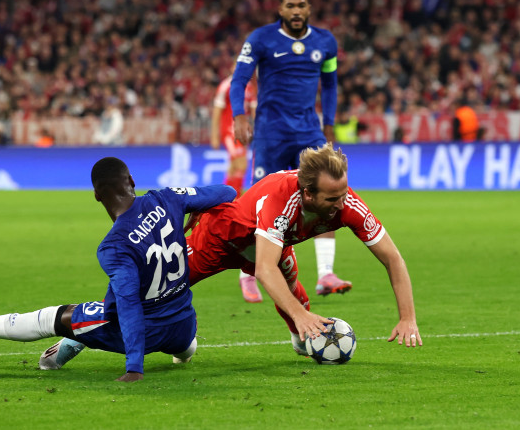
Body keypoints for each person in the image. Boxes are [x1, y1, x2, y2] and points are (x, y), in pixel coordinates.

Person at [44, 144, 422, 370]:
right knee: (147, 288)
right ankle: (78, 337)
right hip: (221, 236)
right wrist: (300, 312)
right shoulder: (281, 201)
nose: (343, 203)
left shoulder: (347, 204)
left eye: (344, 194)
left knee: (292, 280)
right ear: (308, 194)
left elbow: (393, 259)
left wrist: (407, 317)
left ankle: (302, 341)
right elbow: (264, 270)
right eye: (333, 198)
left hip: (264, 244)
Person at [0, 157, 237, 382]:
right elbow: (226, 192)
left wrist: (134, 368)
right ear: (131, 180)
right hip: (184, 324)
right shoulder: (167, 197)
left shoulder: (115, 245)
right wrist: (196, 208)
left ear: (96, 195)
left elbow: (129, 306)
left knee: (58, 317)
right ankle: (85, 340)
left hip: (147, 332)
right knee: (181, 344)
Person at [229, 0, 351, 297]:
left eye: (301, 5)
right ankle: (247, 272)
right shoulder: (261, 39)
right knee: (258, 202)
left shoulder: (325, 42)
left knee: (327, 194)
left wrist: (329, 122)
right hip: (271, 133)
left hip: (309, 131)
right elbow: (239, 79)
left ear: (309, 8)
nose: (296, 11)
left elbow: (330, 84)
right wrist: (239, 114)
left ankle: (326, 274)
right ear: (280, 9)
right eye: (290, 6)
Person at [210, 69, 261, 303]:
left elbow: (253, 110)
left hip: (242, 130)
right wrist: (214, 135)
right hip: (228, 130)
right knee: (239, 163)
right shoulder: (227, 84)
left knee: (237, 168)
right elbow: (217, 111)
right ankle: (230, 202)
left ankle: (223, 203)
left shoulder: (250, 88)